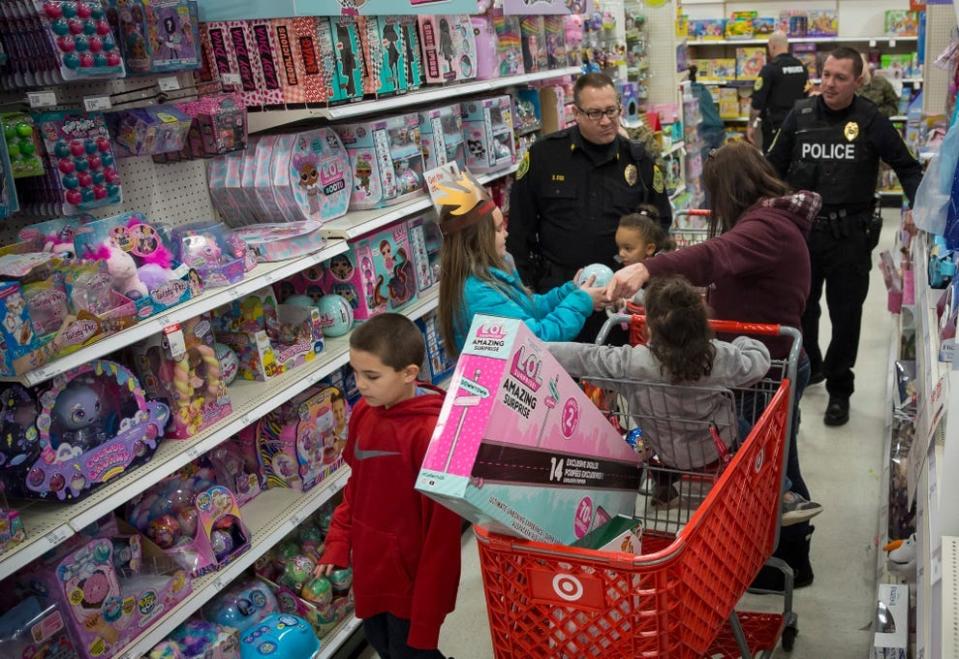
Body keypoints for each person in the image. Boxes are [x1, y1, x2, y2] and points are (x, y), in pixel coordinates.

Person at [605, 142, 821, 588]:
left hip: (768, 365)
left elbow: (713, 256)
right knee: (770, 463)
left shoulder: (766, 226)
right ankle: (781, 557)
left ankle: (790, 561)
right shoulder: (769, 220)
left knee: (773, 468)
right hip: (763, 363)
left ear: (729, 189)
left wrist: (647, 268)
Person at [550, 275, 822, 525]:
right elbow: (758, 363)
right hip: (715, 452)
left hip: (662, 451)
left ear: (651, 329)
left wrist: (537, 345)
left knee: (641, 433)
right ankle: (782, 494)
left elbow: (584, 357)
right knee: (748, 431)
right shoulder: (716, 357)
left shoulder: (631, 363)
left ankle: (665, 487)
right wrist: (744, 341)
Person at [767, 46, 922, 426]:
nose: (830, 84)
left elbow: (907, 167)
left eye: (840, 77)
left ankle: (840, 388)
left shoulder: (870, 119)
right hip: (801, 233)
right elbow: (770, 168)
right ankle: (813, 365)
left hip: (849, 234)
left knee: (846, 313)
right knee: (802, 308)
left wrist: (919, 209)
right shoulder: (800, 115)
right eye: (825, 75)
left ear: (857, 81)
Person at [316, 314, 462, 659]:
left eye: (371, 376)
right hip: (371, 569)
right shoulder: (365, 413)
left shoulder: (430, 437)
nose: (360, 385)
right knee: (382, 644)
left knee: (410, 654)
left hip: (410, 585)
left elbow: (441, 536)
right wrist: (339, 540)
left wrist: (428, 615)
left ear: (409, 373)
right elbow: (358, 486)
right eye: (355, 372)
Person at [507, 72, 672, 341]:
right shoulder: (544, 156)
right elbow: (519, 229)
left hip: (620, 298)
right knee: (561, 376)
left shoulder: (638, 159)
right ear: (576, 113)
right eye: (595, 113)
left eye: (611, 110)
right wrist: (526, 289)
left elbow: (661, 222)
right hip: (560, 294)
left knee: (617, 375)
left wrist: (641, 275)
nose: (606, 121)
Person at [433, 171, 605, 353]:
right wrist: (581, 302)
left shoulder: (492, 271)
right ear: (477, 239)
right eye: (499, 229)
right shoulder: (478, 295)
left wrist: (569, 292)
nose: (506, 233)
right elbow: (536, 341)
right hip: (500, 379)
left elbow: (529, 308)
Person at [747, 31, 808, 152]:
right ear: (787, 46)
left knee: (774, 163)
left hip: (775, 127)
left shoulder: (769, 69)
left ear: (772, 46)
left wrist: (750, 125)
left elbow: (757, 103)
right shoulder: (801, 67)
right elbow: (806, 94)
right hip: (798, 124)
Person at [687, 64, 725, 161]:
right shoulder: (702, 89)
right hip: (718, 131)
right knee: (715, 162)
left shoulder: (688, 92)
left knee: (705, 166)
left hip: (705, 132)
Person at [857, 53, 900, 118]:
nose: (859, 67)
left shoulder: (881, 82)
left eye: (862, 63)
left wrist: (876, 113)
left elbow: (894, 106)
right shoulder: (848, 85)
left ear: (868, 65)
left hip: (878, 124)